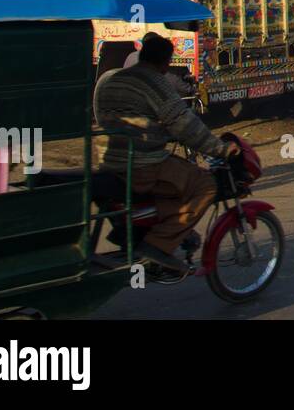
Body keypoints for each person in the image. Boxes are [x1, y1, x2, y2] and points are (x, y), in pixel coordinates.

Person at [93, 32, 239, 273]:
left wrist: (154, 131)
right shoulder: (156, 83)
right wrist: (222, 149)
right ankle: (158, 245)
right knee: (206, 184)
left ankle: (147, 231)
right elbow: (187, 127)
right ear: (166, 62)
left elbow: (107, 116)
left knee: (175, 184)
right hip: (142, 164)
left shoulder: (109, 78)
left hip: (107, 159)